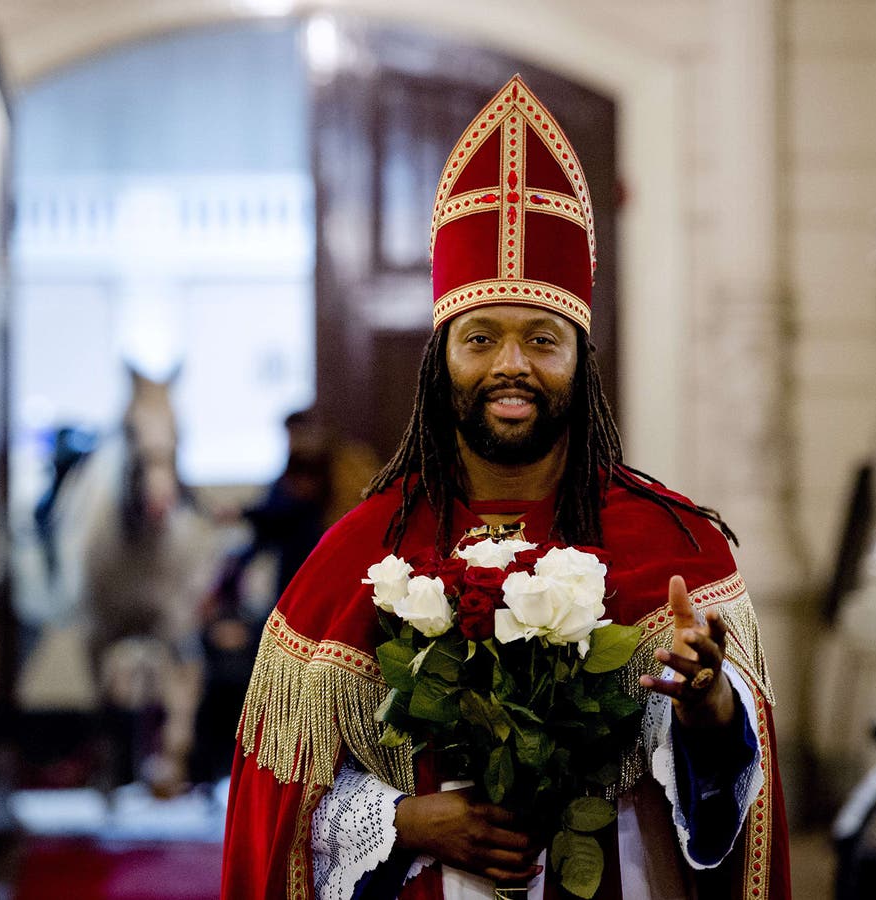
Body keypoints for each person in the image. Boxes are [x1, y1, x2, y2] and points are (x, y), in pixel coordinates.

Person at [221, 75, 790, 899]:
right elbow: (274, 810)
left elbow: (739, 805)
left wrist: (709, 709)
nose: (511, 365)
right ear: (441, 361)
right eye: (481, 337)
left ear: (580, 361)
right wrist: (407, 822)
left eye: (543, 339)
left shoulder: (674, 549)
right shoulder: (363, 551)